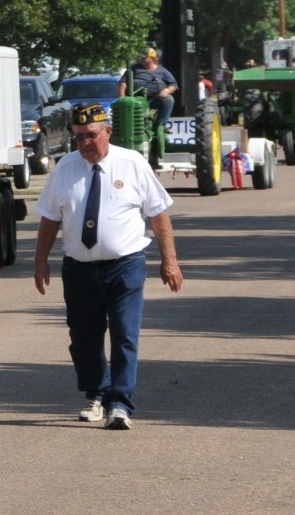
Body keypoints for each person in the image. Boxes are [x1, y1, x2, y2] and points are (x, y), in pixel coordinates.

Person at [31, 102, 183, 430]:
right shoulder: (65, 169)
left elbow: (158, 214)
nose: (84, 142)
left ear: (108, 132)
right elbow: (50, 217)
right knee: (83, 337)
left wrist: (169, 259)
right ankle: (96, 393)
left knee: (124, 334)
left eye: (91, 135)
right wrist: (40, 260)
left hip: (125, 265)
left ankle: (120, 403)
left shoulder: (132, 164)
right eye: (78, 137)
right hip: (79, 267)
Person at [129, 48, 178, 124]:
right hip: (136, 98)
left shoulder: (162, 71)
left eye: (144, 58)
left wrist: (166, 91)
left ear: (152, 59)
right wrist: (122, 97)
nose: (141, 59)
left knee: (168, 99)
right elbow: (123, 82)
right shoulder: (134, 68)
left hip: (154, 99)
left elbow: (174, 84)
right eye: (141, 58)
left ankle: (160, 125)